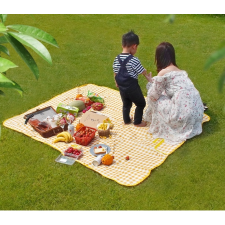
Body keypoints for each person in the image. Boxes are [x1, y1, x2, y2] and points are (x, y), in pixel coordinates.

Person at [143, 42, 204, 145]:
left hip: (183, 117)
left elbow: (153, 95)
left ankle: (151, 121)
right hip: (197, 113)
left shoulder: (163, 72)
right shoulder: (180, 72)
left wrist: (150, 84)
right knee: (162, 95)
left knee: (155, 98)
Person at [113, 30, 150, 127]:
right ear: (134, 46)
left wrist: (116, 82)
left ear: (122, 45)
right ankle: (137, 122)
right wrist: (146, 74)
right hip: (132, 87)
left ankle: (126, 120)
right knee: (141, 103)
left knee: (126, 104)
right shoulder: (134, 60)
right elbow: (142, 71)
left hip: (122, 87)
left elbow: (115, 72)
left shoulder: (116, 59)